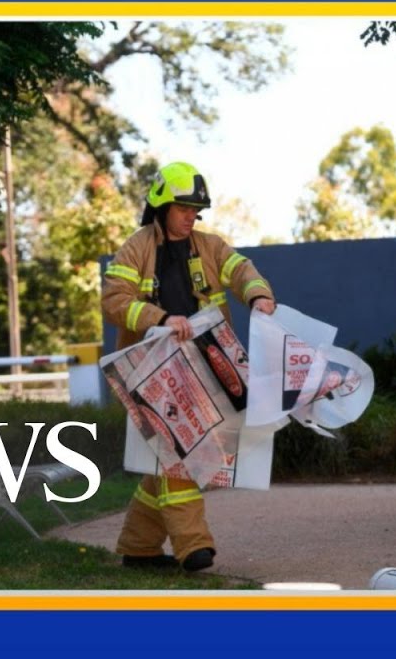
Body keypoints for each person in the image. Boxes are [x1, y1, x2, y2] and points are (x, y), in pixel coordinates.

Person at [101, 161, 276, 572]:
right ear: (161, 206)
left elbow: (242, 270)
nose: (190, 217)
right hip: (151, 373)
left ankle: (139, 547)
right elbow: (114, 301)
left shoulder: (210, 245)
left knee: (166, 461)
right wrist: (159, 320)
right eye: (183, 208)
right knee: (175, 455)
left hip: (203, 371)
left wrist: (258, 297)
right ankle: (194, 546)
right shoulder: (137, 248)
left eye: (196, 210)